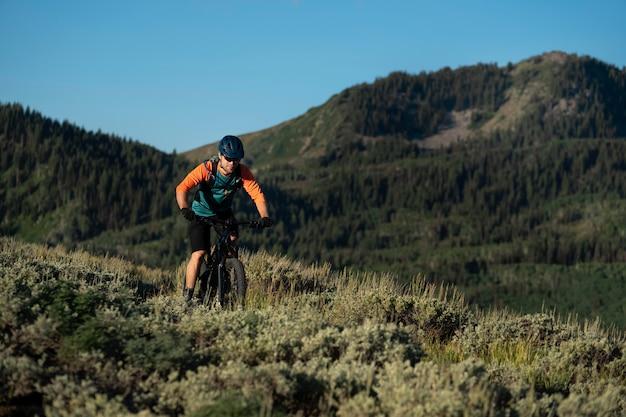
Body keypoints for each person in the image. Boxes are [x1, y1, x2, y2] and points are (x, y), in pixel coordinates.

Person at [175, 135, 272, 302]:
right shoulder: (207, 169)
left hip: (223, 213)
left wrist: (264, 216)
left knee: (232, 239)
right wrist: (185, 208)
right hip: (200, 213)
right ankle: (187, 297)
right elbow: (182, 187)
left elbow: (257, 195)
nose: (232, 163)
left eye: (236, 159)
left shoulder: (242, 173)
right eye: (228, 159)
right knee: (198, 254)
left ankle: (227, 272)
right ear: (220, 155)